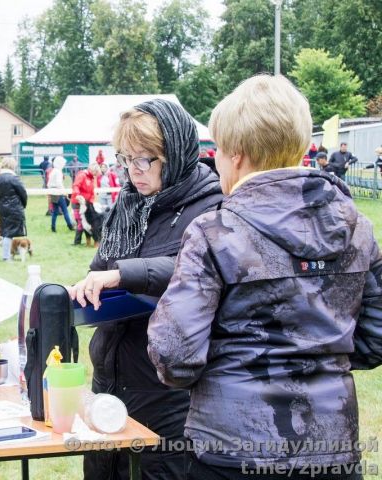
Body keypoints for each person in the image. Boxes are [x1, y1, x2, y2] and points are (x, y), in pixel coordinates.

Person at [147, 74, 382, 480]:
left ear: (235, 154)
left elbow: (175, 357)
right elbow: (374, 338)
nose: (214, 160)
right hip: (331, 447)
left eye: (216, 150)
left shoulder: (215, 232)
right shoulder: (356, 226)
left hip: (232, 449)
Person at [69, 99, 223, 480]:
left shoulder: (211, 204)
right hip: (109, 376)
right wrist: (86, 288)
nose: (133, 171)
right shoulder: (129, 203)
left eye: (144, 160)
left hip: (165, 387)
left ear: (175, 154)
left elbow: (196, 267)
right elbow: (101, 266)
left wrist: (124, 274)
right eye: (125, 159)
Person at [0, 157, 27, 261]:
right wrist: (23, 205)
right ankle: (6, 257)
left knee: (5, 232)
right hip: (14, 207)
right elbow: (23, 193)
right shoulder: (14, 178)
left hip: (2, 207)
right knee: (9, 234)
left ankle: (7, 255)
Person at [71, 162, 101, 246]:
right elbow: (76, 186)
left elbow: (91, 192)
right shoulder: (82, 175)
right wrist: (78, 195)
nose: (96, 175)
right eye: (95, 173)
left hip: (87, 205)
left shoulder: (91, 178)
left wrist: (91, 203)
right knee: (80, 223)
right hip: (78, 202)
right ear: (92, 170)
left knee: (88, 223)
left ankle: (91, 240)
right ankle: (77, 242)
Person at [48, 156, 74, 232]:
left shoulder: (53, 171)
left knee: (55, 211)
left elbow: (49, 183)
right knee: (65, 210)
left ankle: (53, 227)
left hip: (52, 192)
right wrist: (65, 193)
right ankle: (70, 226)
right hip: (58, 192)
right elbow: (59, 184)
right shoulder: (58, 171)